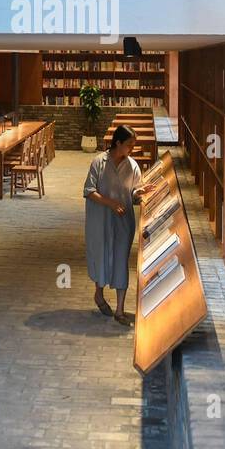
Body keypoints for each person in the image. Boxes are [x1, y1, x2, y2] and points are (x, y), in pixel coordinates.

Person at [82, 125, 156, 326]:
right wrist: (111, 203)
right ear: (118, 143)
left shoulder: (132, 166)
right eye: (130, 145)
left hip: (123, 222)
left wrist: (139, 193)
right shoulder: (99, 162)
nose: (132, 148)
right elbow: (89, 190)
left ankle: (120, 310)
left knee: (121, 260)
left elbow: (132, 193)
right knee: (102, 256)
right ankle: (98, 294)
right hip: (101, 220)